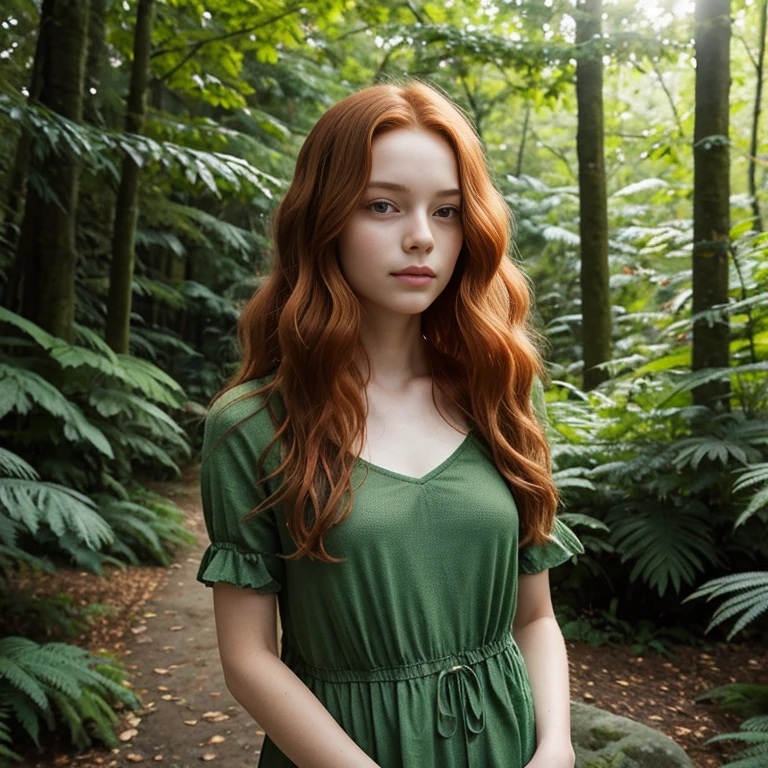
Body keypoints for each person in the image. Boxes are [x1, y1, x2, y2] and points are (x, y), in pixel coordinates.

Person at [196, 78, 584, 768]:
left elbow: (535, 616)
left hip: (507, 743)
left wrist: (555, 747)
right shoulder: (252, 424)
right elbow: (248, 658)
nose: (420, 238)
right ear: (325, 218)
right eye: (383, 205)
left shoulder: (504, 394)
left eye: (447, 211)